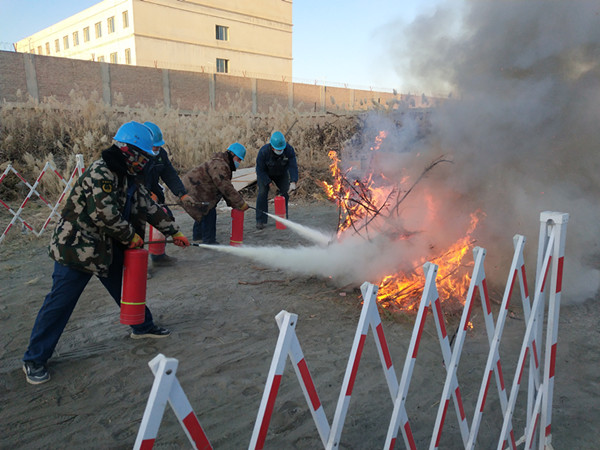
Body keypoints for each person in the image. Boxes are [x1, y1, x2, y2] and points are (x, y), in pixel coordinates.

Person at [22, 121, 190, 385]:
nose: (146, 162)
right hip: (77, 248)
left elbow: (147, 204)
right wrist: (131, 237)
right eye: (144, 157)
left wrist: (173, 231)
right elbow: (105, 215)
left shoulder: (129, 175)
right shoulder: (102, 172)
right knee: (60, 303)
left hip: (107, 248)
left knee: (125, 290)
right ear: (128, 151)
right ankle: (34, 359)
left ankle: (142, 327)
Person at [143, 121, 194, 267]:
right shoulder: (135, 156)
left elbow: (170, 175)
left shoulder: (161, 155)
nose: (157, 149)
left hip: (153, 193)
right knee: (135, 228)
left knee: (163, 217)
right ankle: (136, 267)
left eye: (159, 146)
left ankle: (158, 256)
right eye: (154, 146)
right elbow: (133, 180)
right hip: (135, 195)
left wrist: (181, 194)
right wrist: (146, 194)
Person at [181, 143, 250, 237]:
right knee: (209, 212)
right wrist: (241, 203)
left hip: (196, 191)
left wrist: (235, 204)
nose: (239, 163)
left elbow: (224, 190)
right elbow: (226, 188)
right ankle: (209, 241)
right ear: (232, 155)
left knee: (202, 212)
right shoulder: (220, 165)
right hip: (194, 191)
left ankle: (198, 236)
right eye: (238, 159)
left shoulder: (222, 163)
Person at [255, 131, 298, 230]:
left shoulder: (289, 150)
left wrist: (293, 182)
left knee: (285, 194)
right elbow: (260, 170)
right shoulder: (263, 152)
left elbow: (293, 166)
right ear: (272, 147)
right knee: (262, 193)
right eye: (277, 149)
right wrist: (269, 184)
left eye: (281, 149)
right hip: (265, 174)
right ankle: (260, 220)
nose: (280, 151)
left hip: (281, 174)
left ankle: (282, 219)